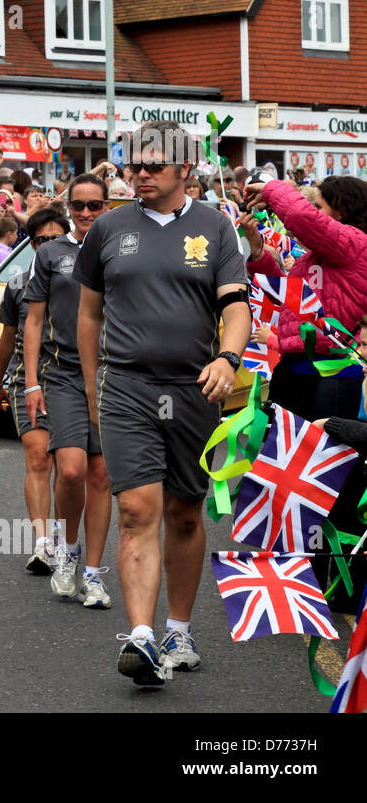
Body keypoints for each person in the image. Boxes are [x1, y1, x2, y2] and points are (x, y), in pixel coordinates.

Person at [75, 121, 250, 686]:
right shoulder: (106, 228)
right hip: (126, 386)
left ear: (185, 168)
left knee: (182, 510)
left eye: (152, 165)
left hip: (195, 389)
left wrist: (227, 357)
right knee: (137, 510)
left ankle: (179, 626)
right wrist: (90, 386)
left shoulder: (215, 228)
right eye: (134, 165)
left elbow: (238, 308)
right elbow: (88, 315)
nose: (140, 174)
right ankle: (142, 638)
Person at [240, 174, 367, 608]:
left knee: (332, 480)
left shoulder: (352, 243)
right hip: (294, 367)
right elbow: (290, 299)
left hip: (332, 373)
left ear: (342, 207)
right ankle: (297, 574)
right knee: (286, 473)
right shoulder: (320, 253)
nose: (312, 209)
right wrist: (259, 253)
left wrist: (270, 187)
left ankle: (342, 585)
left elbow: (297, 214)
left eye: (320, 202)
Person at [23, 174, 114, 609]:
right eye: (77, 206)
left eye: (94, 206)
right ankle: (67, 551)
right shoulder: (52, 253)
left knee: (101, 475)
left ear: (107, 206)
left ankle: (93, 574)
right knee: (72, 470)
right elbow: (34, 321)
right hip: (62, 374)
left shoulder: (120, 248)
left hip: (112, 377)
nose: (84, 214)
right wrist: (31, 382)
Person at [0, 209, 68, 573]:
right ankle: (42, 544)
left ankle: (64, 539)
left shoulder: (86, 282)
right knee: (39, 458)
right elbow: (8, 334)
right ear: (31, 244)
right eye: (41, 240)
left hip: (72, 381)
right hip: (28, 379)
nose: (49, 246)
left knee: (71, 469)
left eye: (56, 239)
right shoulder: (18, 283)